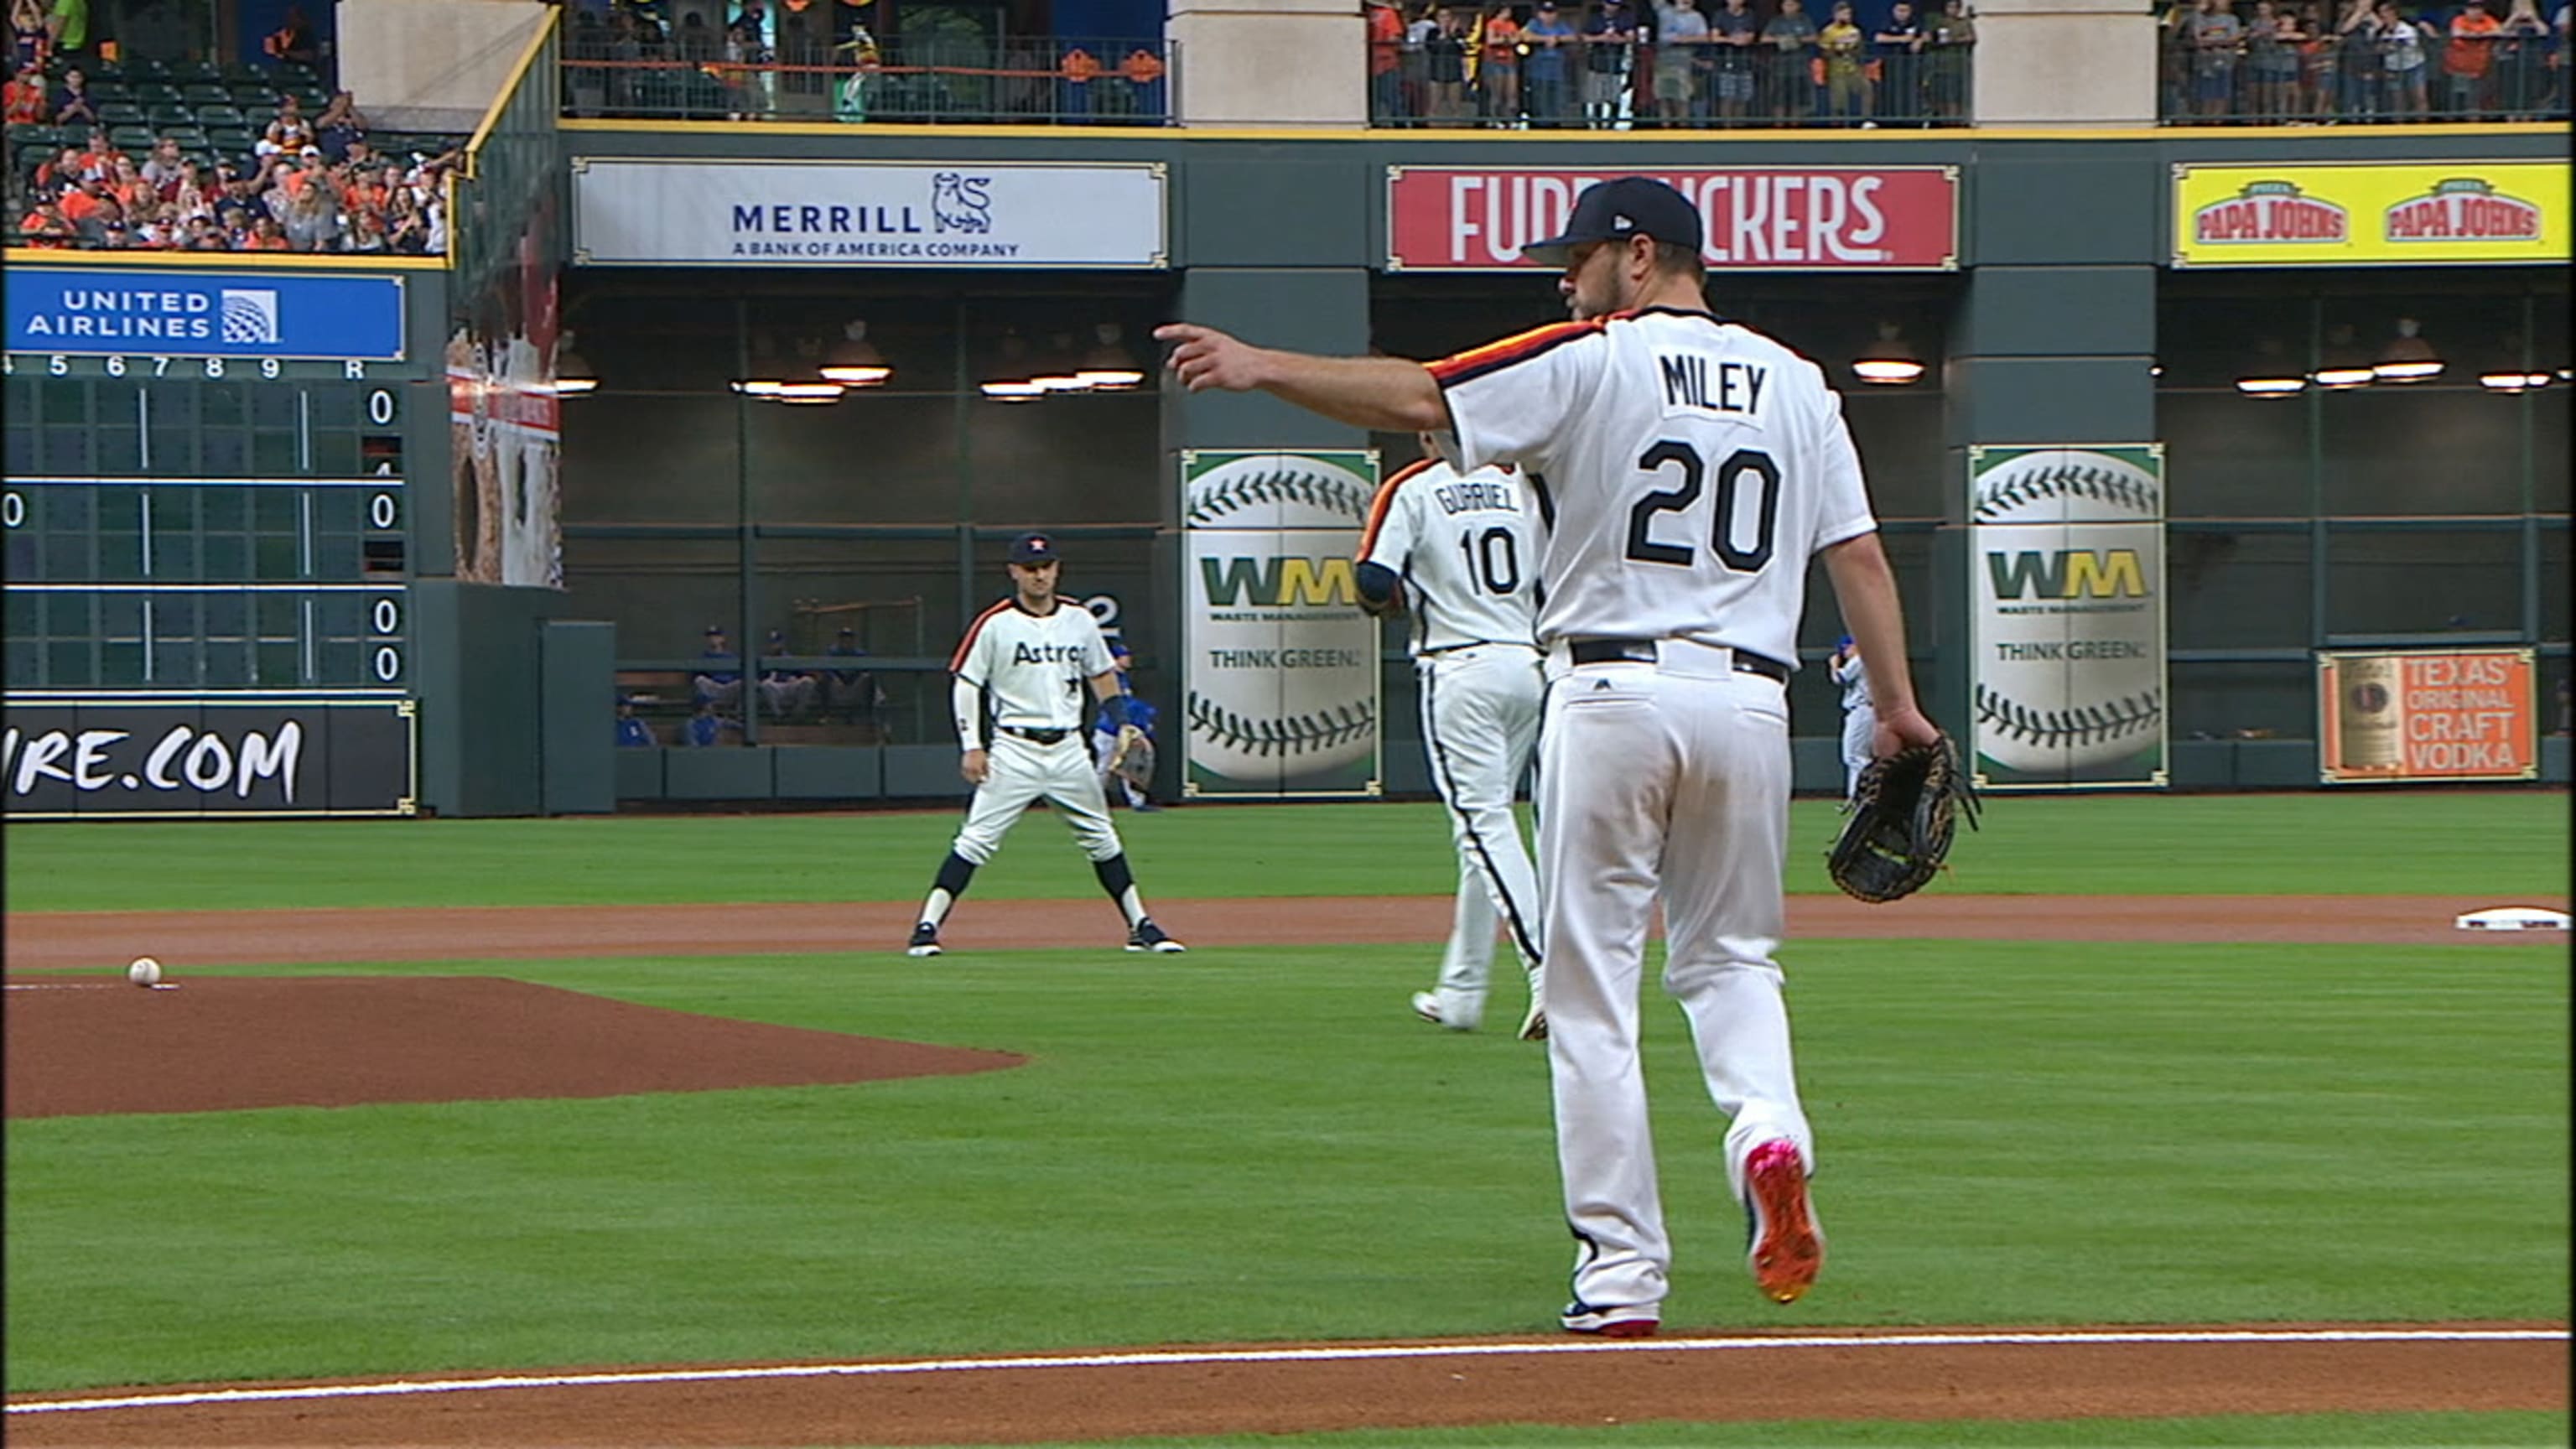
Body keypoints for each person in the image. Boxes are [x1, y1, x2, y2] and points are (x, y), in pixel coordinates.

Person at [1156, 174, 1941, 1333]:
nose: (1562, 283)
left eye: (1574, 262)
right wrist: (1896, 711)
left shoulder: (1595, 355)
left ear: (1635, 256)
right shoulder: (1796, 382)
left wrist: (1263, 364)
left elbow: (1421, 397)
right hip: (1751, 706)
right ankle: (1768, 1134)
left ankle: (1623, 1277)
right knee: (1732, 964)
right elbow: (1861, 560)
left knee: (1590, 997)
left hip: (1612, 690)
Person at [904, 532, 1186, 958]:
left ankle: (1140, 925)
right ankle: (926, 928)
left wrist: (1123, 722)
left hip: (1069, 748)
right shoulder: (995, 623)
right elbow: (966, 683)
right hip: (1015, 747)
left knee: (1102, 838)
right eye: (1031, 568)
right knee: (976, 840)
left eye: (1046, 567)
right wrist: (972, 745)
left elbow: (1101, 674)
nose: (1040, 575)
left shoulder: (1079, 619)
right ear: (1014, 571)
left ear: (1057, 569)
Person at [1354, 434, 1547, 1040]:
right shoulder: (1526, 486)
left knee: (1483, 824)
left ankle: (1549, 975)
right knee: (1487, 842)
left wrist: (1404, 595)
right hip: (1535, 663)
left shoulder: (1414, 486)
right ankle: (1461, 992)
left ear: (1430, 434)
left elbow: (1371, 580)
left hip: (1460, 665)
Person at [1090, 641, 1161, 811]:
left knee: (1129, 766)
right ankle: (1091, 804)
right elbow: (1118, 704)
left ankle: (1137, 802)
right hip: (1108, 730)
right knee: (1104, 769)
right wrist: (1143, 712)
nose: (1128, 659)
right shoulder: (1110, 677)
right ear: (1114, 659)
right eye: (1124, 656)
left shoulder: (1123, 678)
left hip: (1122, 730)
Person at [1829, 634, 1875, 797]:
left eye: (1845, 649)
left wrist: (1834, 665)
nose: (1843, 653)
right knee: (1859, 756)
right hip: (1866, 710)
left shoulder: (1860, 658)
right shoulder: (1867, 659)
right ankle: (1861, 796)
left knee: (1855, 756)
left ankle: (1861, 796)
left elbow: (1840, 678)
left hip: (1862, 709)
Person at [823, 625, 884, 730]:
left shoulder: (860, 654)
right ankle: (826, 714)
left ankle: (869, 715)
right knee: (825, 680)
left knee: (868, 678)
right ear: (839, 639)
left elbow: (867, 670)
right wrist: (835, 678)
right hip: (837, 686)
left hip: (855, 686)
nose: (846, 640)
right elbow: (826, 669)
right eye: (844, 637)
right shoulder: (832, 652)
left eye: (849, 637)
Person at [756, 627, 818, 721]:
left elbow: (803, 673)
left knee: (808, 681)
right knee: (766, 684)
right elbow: (759, 678)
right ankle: (779, 715)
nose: (775, 645)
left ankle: (798, 714)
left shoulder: (788, 658)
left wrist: (796, 678)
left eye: (777, 642)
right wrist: (767, 678)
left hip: (790, 686)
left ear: (782, 643)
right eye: (773, 643)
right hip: (776, 688)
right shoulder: (765, 660)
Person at [693, 624, 744, 716]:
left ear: (722, 639)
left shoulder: (731, 657)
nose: (713, 639)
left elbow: (739, 676)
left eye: (716, 636)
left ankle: (737, 714)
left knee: (742, 683)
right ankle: (708, 712)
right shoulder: (704, 658)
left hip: (728, 689)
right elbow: (697, 677)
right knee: (700, 680)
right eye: (710, 637)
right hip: (713, 690)